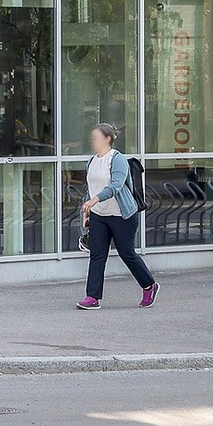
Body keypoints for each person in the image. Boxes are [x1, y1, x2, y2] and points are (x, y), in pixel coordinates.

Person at [76, 123, 158, 311]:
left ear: (108, 139)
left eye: (96, 138)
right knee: (97, 255)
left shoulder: (117, 159)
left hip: (122, 215)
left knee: (127, 254)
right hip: (99, 215)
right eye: (92, 138)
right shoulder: (92, 161)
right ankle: (92, 297)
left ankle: (149, 285)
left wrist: (94, 200)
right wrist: (87, 210)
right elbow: (91, 188)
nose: (93, 141)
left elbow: (116, 186)